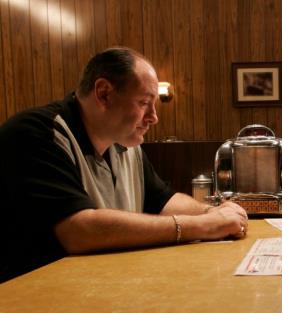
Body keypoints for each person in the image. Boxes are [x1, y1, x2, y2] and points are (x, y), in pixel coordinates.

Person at [0, 47, 248, 283]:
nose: (154, 117)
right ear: (104, 93)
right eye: (144, 103)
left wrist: (213, 212)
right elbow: (78, 231)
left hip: (99, 289)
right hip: (30, 304)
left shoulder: (126, 144)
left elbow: (163, 201)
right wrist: (203, 226)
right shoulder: (36, 133)